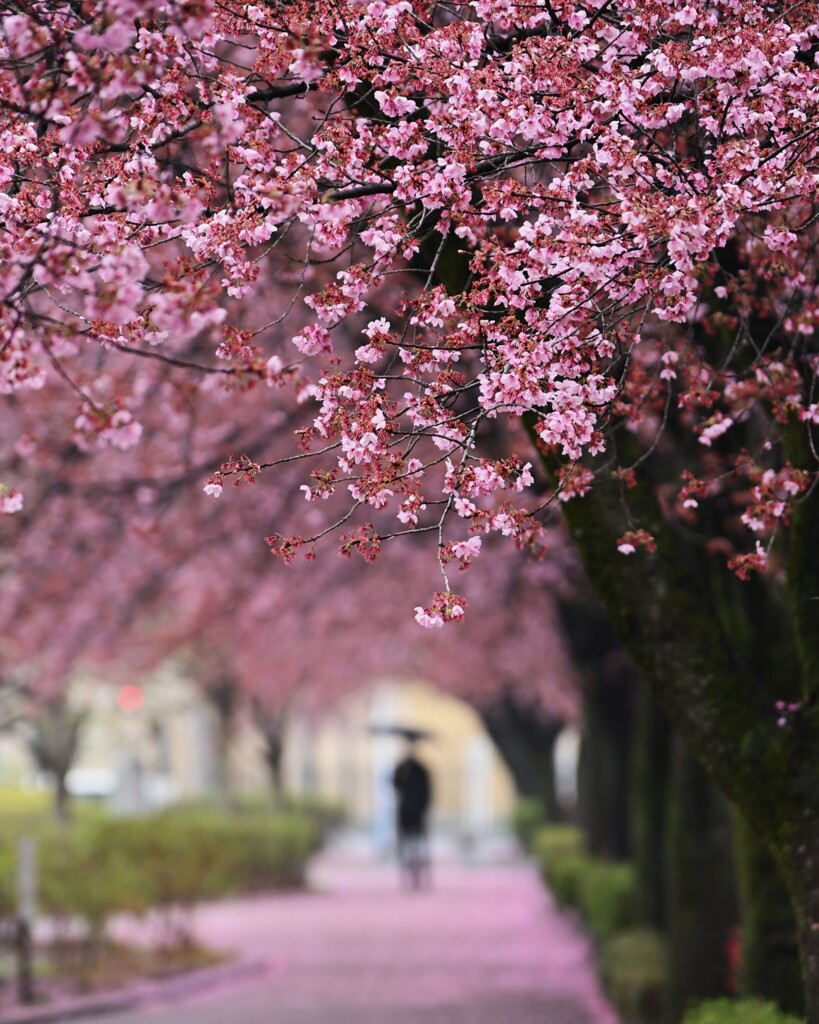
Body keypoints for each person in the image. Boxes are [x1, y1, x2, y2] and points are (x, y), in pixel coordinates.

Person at [392, 743, 432, 889]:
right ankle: (407, 875)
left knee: (419, 844)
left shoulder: (421, 769)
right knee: (405, 845)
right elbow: (395, 784)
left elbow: (427, 791)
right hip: (404, 812)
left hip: (417, 812)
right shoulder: (401, 768)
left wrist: (423, 806)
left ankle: (420, 875)